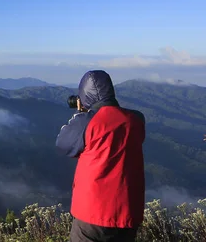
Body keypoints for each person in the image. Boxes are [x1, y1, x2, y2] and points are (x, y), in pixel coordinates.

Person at [56, 70, 146, 242]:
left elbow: (63, 145)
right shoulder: (137, 120)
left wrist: (79, 115)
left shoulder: (86, 122)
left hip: (92, 213)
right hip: (129, 212)